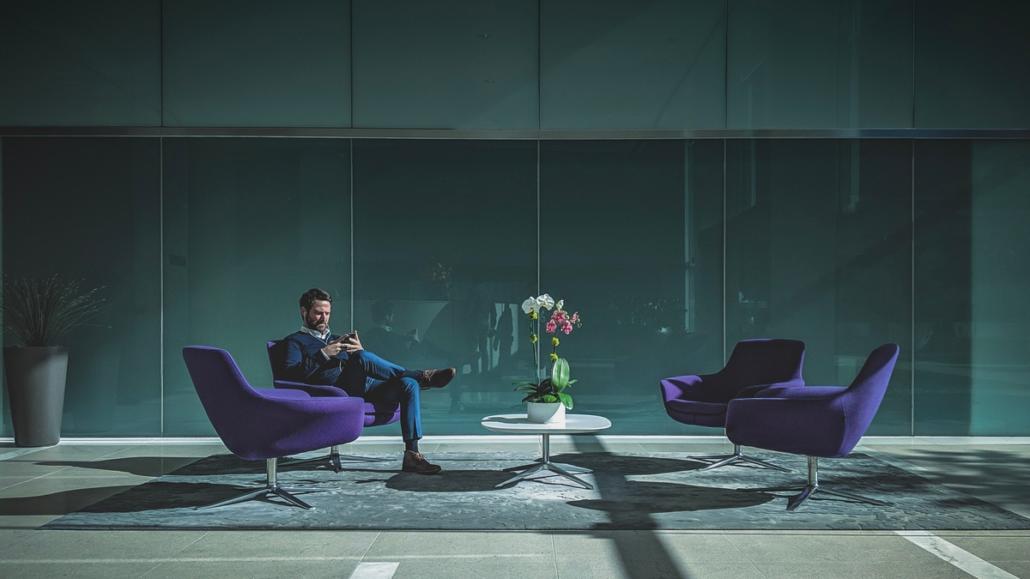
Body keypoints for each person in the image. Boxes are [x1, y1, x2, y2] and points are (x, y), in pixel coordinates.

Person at [281, 288, 455, 474]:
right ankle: (422, 376)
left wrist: (359, 350)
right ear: (303, 311)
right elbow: (290, 375)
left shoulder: (336, 338)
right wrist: (323, 354)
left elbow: (364, 364)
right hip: (339, 392)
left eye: (327, 313)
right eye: (318, 313)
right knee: (362, 358)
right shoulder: (294, 341)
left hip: (368, 385)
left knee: (408, 385)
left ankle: (412, 455)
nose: (324, 318)